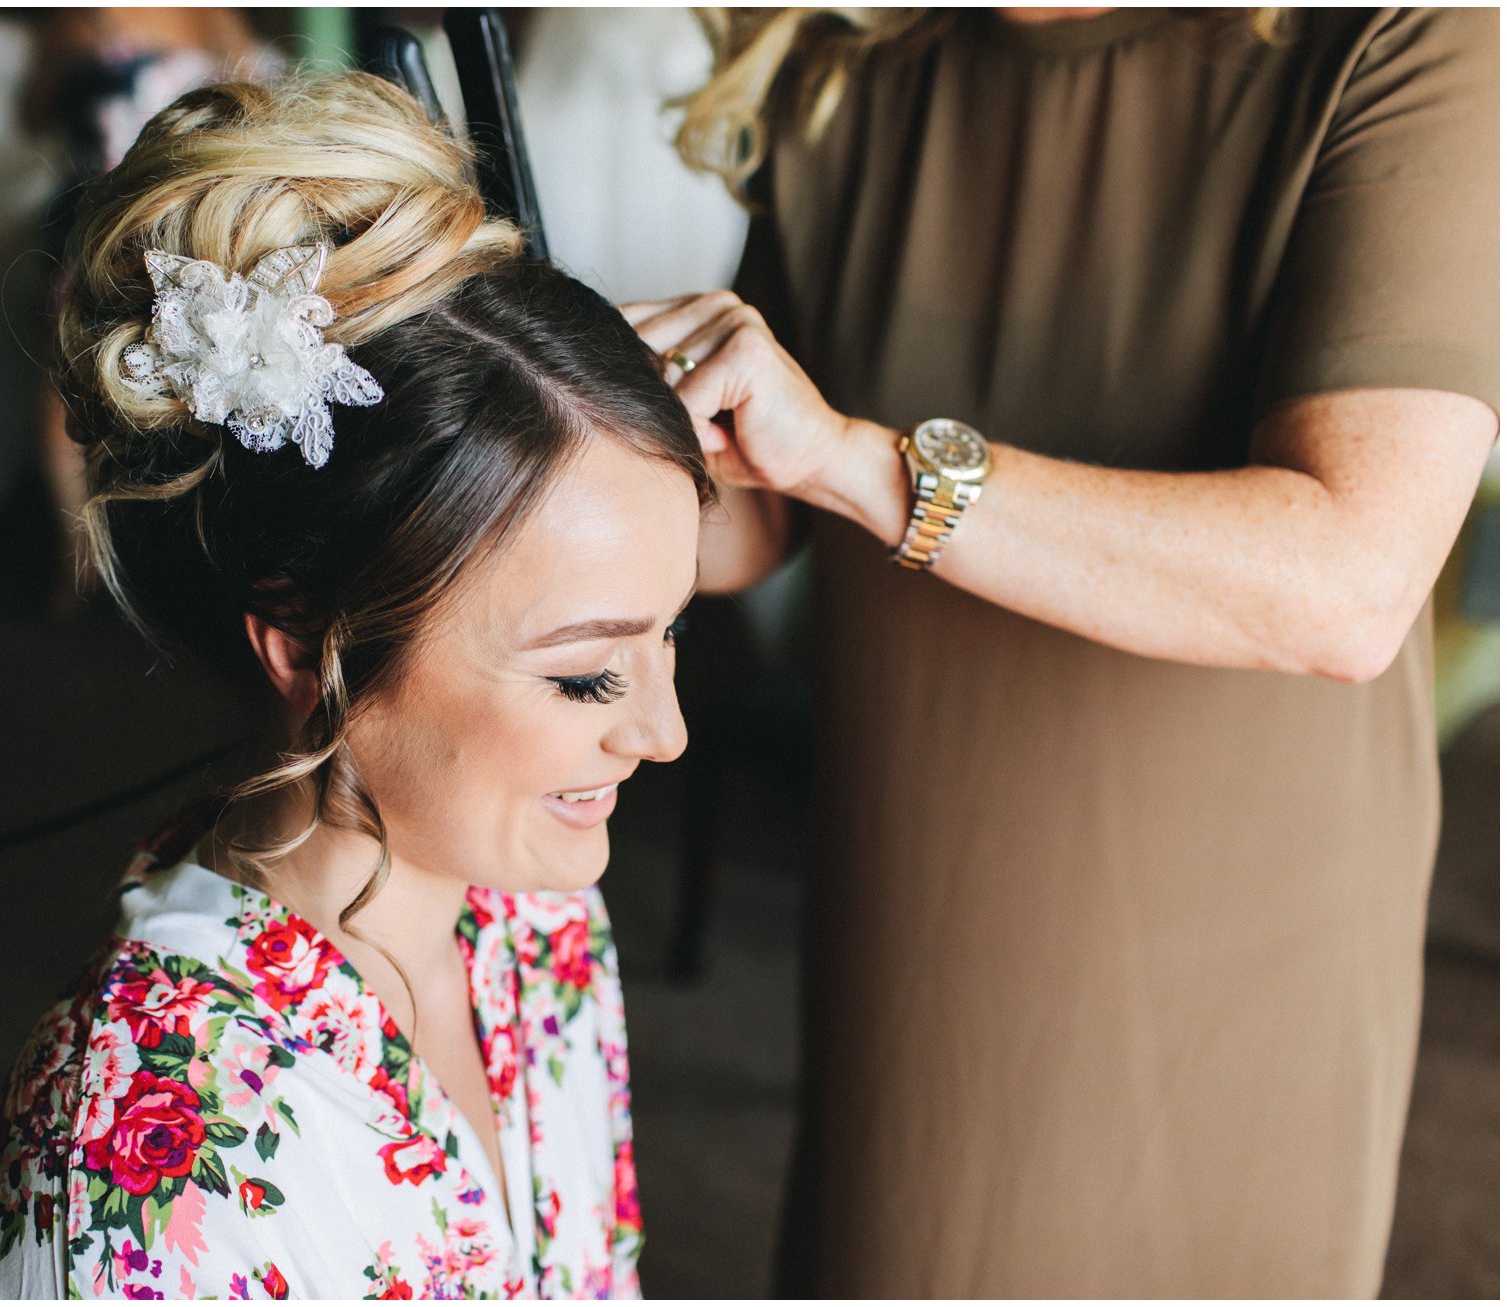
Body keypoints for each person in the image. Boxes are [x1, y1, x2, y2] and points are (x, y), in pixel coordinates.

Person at [627, 6, 1498, 1298]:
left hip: (1237, 906)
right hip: (917, 868)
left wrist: (864, 463)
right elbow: (756, 510)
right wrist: (548, 437)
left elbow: (1345, 584)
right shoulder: (843, 58)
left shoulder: (1410, 36)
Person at [0, 73, 710, 1299]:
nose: (662, 732)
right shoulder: (135, 1156)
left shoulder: (535, 905)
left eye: (672, 634)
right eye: (584, 676)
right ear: (307, 649)